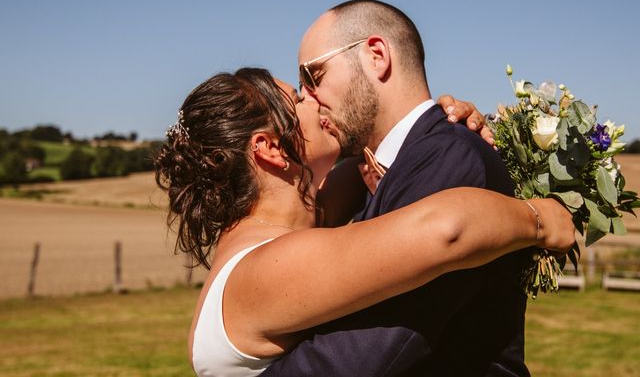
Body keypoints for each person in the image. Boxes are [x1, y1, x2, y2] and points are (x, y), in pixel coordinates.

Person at [154, 67, 575, 377]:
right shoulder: (265, 268)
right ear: (268, 148)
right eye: (298, 100)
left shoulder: (287, 225)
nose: (314, 99)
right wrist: (537, 220)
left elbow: (374, 154)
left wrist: (437, 123)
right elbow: (445, 230)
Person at [261, 0, 533, 376]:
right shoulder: (379, 170)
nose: (308, 97)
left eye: (313, 75)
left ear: (376, 55)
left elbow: (366, 350)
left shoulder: (450, 159)